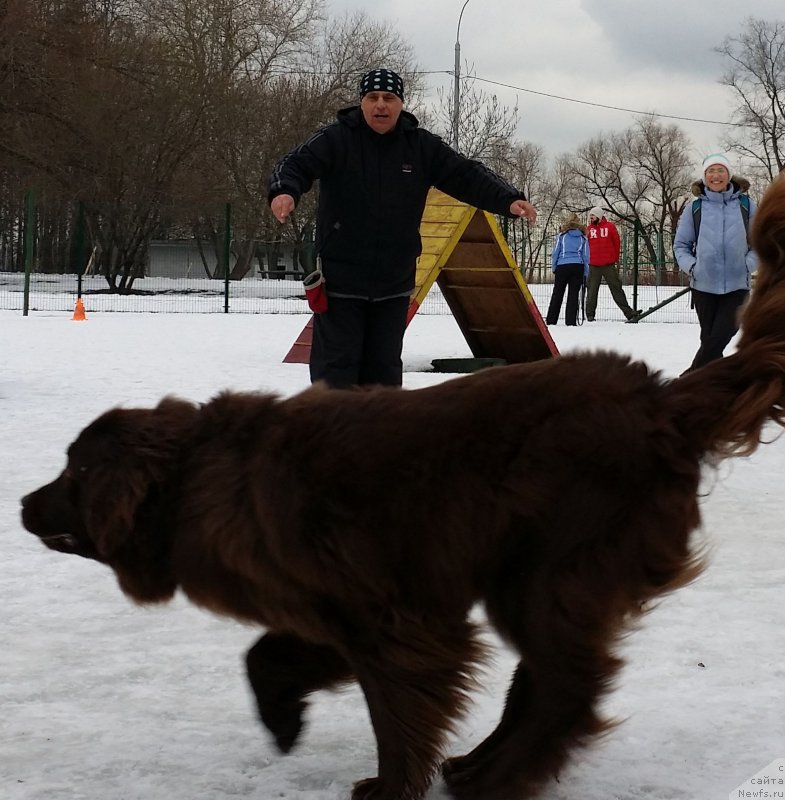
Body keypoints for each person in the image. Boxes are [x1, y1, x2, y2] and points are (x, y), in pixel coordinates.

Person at [268, 68, 537, 389]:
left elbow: (466, 174)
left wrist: (508, 199)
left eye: (389, 98)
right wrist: (284, 190)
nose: (380, 105)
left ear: (401, 104)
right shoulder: (336, 139)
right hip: (341, 282)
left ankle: (381, 423)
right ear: (361, 102)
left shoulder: (420, 147)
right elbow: (295, 163)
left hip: (393, 284)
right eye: (373, 97)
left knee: (383, 374)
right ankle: (331, 422)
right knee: (336, 370)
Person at [673, 153, 757, 373]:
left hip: (737, 286)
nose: (716, 175)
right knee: (709, 341)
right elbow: (681, 245)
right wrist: (693, 267)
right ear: (704, 176)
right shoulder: (695, 208)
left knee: (717, 339)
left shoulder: (747, 205)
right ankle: (708, 385)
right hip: (704, 286)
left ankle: (687, 380)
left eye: (721, 170)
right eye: (711, 171)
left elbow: (760, 242)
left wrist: (747, 265)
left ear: (729, 175)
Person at [585, 207, 637, 322]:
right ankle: (590, 314)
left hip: (608, 264)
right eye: (590, 215)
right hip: (594, 264)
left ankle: (629, 313)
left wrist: (615, 258)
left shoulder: (610, 227)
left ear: (599, 216)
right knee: (592, 291)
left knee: (616, 288)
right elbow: (585, 246)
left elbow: (616, 242)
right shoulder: (589, 230)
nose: (591, 218)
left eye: (593, 215)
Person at [545, 213, 589, 326]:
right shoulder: (583, 238)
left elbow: (555, 253)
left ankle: (551, 320)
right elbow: (586, 256)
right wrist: (585, 272)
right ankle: (570, 322)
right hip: (577, 266)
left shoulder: (561, 236)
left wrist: (554, 267)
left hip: (562, 265)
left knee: (557, 293)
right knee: (573, 294)